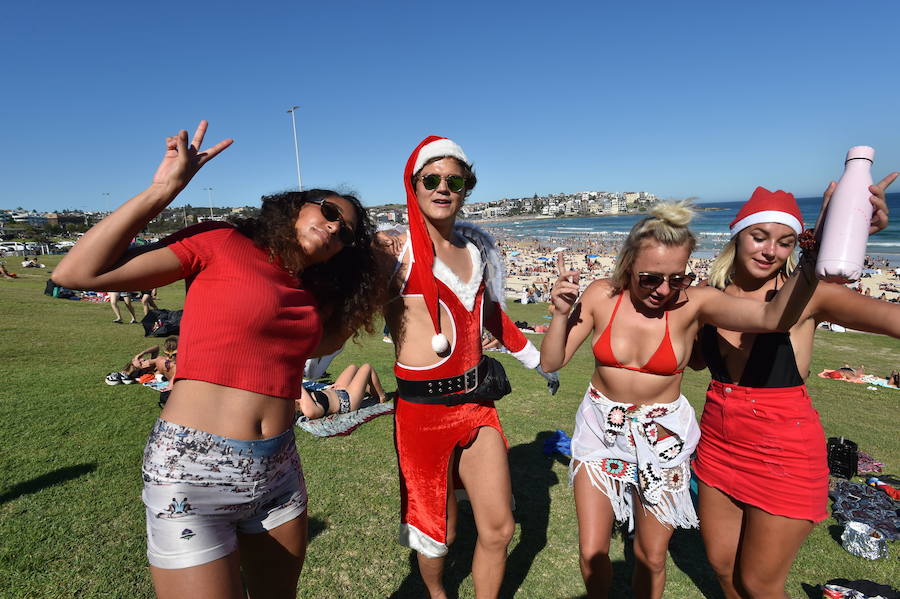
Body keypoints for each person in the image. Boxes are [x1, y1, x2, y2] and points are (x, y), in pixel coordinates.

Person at [52, 121, 382, 599]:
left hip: (280, 469)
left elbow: (309, 347)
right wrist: (163, 190)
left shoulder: (310, 290)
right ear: (296, 205)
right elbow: (77, 272)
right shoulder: (222, 242)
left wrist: (376, 287)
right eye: (330, 211)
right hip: (191, 468)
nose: (334, 226)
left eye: (345, 231)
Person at [539, 200, 820, 599]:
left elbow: (772, 318)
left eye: (677, 278)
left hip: (662, 438)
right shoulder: (602, 295)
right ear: (628, 264)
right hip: (601, 432)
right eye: (650, 279)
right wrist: (560, 313)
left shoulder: (695, 303)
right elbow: (552, 360)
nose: (664, 291)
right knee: (592, 552)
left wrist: (814, 253)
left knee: (651, 556)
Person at [692, 180, 898, 599]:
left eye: (786, 242)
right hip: (717, 445)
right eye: (759, 236)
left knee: (759, 583)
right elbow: (689, 359)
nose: (770, 250)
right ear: (737, 236)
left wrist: (850, 231)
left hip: (782, 452)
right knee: (724, 568)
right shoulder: (709, 299)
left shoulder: (811, 295)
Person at [378, 136, 558, 599]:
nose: (443, 188)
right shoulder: (391, 253)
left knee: (499, 529)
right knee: (440, 533)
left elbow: (494, 316)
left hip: (477, 405)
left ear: (466, 188)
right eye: (431, 179)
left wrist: (537, 361)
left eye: (454, 180)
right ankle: (438, 595)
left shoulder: (478, 252)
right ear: (413, 186)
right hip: (421, 415)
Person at [296, 363, 387, 419]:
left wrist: (327, 389)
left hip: (336, 391)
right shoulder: (309, 411)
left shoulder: (300, 400)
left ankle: (368, 388)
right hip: (347, 400)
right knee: (367, 367)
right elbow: (296, 383)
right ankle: (381, 395)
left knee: (353, 367)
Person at [105, 336, 179, 385]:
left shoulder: (154, 363)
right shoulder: (154, 368)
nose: (143, 360)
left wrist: (142, 353)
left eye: (140, 359)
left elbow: (156, 348)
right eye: (141, 363)